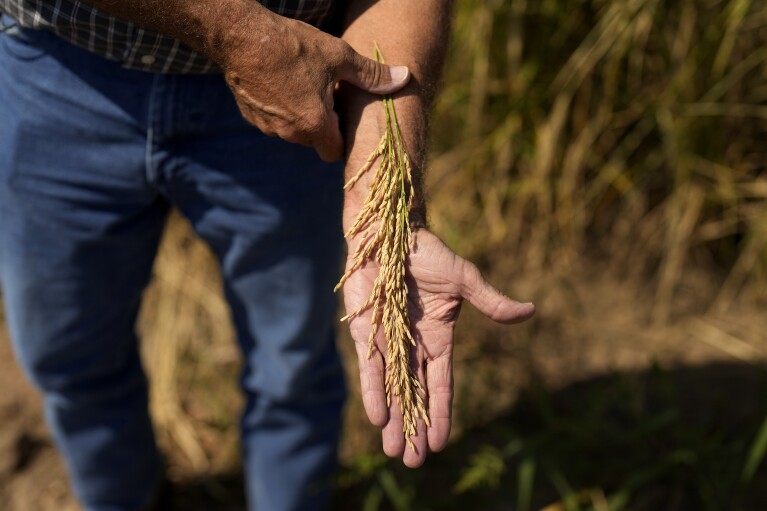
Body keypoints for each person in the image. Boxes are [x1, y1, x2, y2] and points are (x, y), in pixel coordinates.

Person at [0, 1, 535, 510]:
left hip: (300, 94)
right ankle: (123, 499)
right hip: (59, 68)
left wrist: (389, 207)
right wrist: (240, 36)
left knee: (292, 365)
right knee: (68, 355)